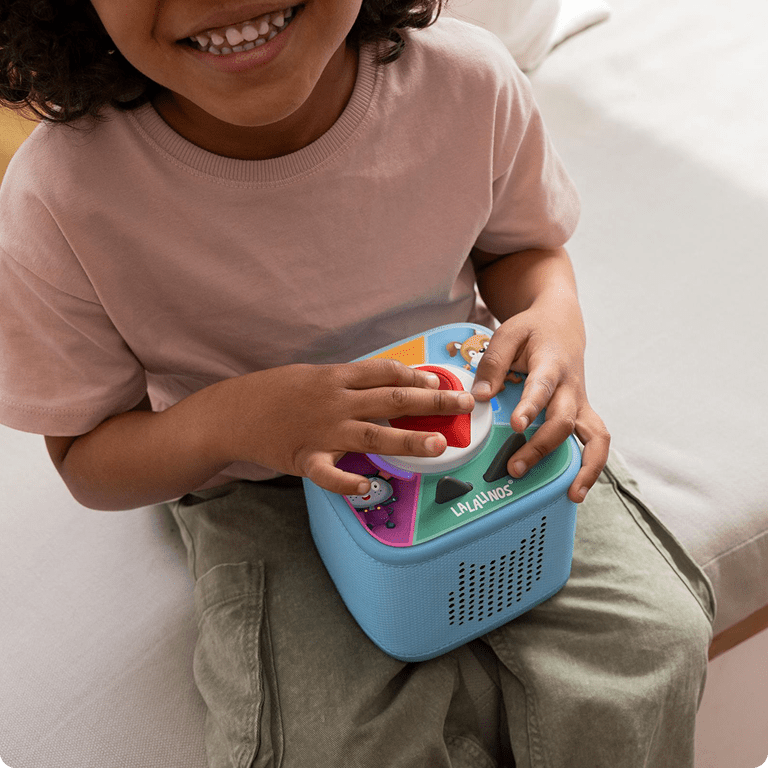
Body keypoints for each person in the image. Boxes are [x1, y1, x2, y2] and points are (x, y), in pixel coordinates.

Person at [0, 0, 715, 766]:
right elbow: (88, 457)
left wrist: (555, 320)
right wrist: (234, 422)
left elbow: (523, 249)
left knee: (653, 641)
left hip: (482, 422)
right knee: (337, 746)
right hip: (261, 486)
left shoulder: (466, 80)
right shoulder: (62, 195)